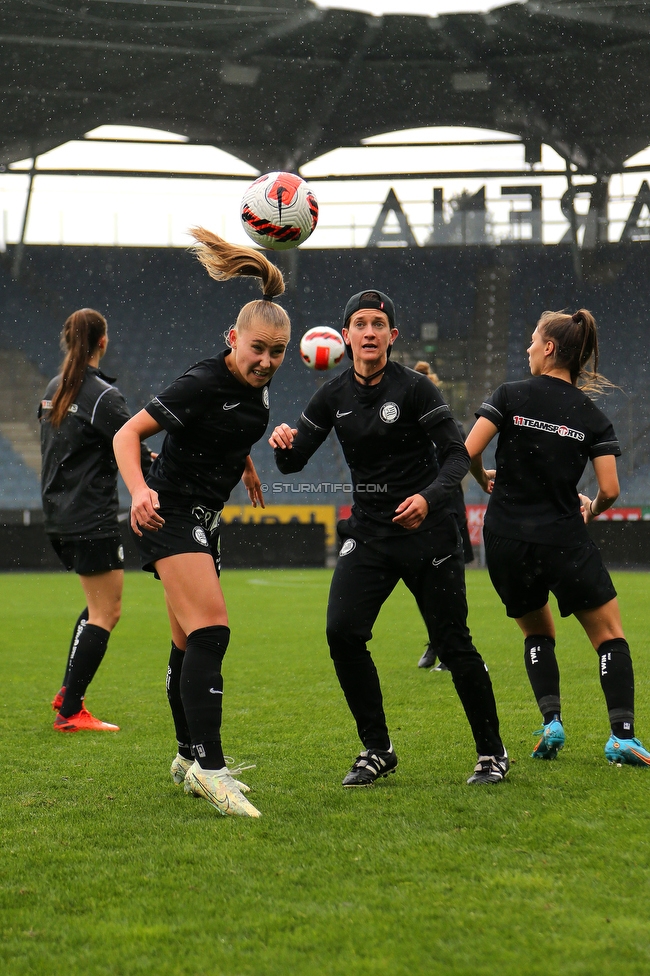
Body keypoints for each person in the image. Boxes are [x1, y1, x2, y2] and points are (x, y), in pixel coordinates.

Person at [269, 289, 508, 787]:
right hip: (371, 535)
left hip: (429, 533)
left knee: (452, 641)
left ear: (392, 336)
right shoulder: (331, 396)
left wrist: (428, 498)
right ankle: (377, 748)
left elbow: (457, 456)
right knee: (342, 633)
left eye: (379, 323)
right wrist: (283, 442)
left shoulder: (417, 389)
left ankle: (492, 753)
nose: (370, 332)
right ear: (346, 336)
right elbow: (292, 464)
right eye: (361, 323)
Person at [113, 229, 291, 818]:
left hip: (203, 516)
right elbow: (127, 434)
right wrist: (139, 491)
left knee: (187, 642)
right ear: (232, 339)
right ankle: (213, 772)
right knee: (212, 632)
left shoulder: (257, 393)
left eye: (276, 353)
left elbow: (230, 426)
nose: (265, 361)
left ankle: (189, 758)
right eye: (256, 349)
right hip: (167, 512)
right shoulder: (202, 380)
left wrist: (245, 468)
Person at [465, 308, 650, 766]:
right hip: (563, 538)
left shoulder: (510, 395)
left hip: (506, 538)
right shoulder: (591, 415)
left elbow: (468, 449)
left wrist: (482, 475)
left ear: (549, 348)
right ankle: (622, 736)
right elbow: (609, 489)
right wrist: (592, 507)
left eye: (532, 340)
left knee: (536, 632)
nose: (527, 348)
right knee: (609, 636)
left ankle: (551, 724)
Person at [40, 308, 152, 732]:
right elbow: (132, 444)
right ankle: (70, 712)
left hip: (59, 515)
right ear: (103, 342)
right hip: (90, 517)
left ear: (68, 339)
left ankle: (68, 694)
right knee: (108, 611)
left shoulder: (55, 388)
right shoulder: (103, 395)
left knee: (96, 607)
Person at [413, 362, 473, 671]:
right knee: (425, 585)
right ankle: (436, 640)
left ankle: (454, 645)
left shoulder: (448, 425)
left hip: (448, 512)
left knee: (451, 585)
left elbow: (464, 457)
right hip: (419, 515)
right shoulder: (405, 427)